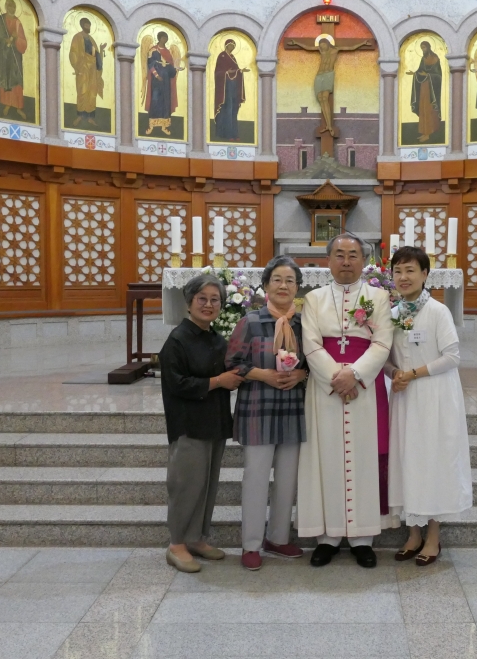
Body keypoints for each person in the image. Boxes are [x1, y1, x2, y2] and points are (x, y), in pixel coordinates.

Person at [298, 233, 396, 568]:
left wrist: (354, 374)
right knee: (324, 457)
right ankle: (326, 537)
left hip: (365, 388)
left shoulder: (378, 297)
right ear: (328, 260)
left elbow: (382, 343)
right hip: (325, 390)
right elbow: (311, 344)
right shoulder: (313, 299)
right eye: (339, 254)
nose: (346, 261)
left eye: (353, 255)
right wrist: (336, 378)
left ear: (364, 261)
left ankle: (362, 538)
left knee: (364, 458)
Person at [386, 246, 472, 566]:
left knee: (433, 461)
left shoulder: (437, 311)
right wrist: (394, 373)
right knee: (408, 459)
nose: (403, 277)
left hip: (435, 397)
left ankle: (433, 536)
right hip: (405, 397)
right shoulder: (393, 314)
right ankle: (413, 534)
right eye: (398, 271)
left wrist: (412, 373)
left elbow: (452, 356)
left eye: (410, 270)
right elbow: (386, 357)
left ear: (425, 274)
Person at [226, 256, 309, 571]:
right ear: (265, 286)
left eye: (290, 281)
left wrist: (301, 374)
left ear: (297, 288)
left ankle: (278, 537)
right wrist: (264, 375)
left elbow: (312, 363)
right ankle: (251, 544)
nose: (283, 286)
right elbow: (233, 362)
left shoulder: (303, 325)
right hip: (258, 408)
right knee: (256, 478)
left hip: (292, 409)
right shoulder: (250, 321)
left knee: (287, 479)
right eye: (277, 279)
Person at [160, 274, 244, 573]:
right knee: (186, 486)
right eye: (202, 299)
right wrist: (219, 381)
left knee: (207, 485)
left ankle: (196, 538)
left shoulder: (216, 340)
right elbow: (177, 384)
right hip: (189, 425)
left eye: (215, 300)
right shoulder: (177, 340)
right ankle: (177, 544)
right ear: (189, 302)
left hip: (214, 423)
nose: (209, 305)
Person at [286, 34, 372, 139]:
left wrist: (362, 43)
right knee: (320, 98)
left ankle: (329, 125)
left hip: (328, 75)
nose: (322, 48)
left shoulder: (335, 50)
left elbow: (351, 47)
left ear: (328, 44)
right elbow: (308, 47)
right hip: (319, 76)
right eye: (320, 46)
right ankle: (327, 125)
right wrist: (296, 43)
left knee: (325, 98)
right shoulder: (321, 50)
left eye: (323, 46)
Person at [68, 17, 107, 128]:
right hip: (83, 68)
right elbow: (73, 53)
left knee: (92, 92)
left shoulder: (91, 39)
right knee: (82, 91)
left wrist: (101, 49)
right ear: (82, 26)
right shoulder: (77, 37)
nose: (88, 27)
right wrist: (77, 67)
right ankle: (80, 116)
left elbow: (95, 54)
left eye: (89, 25)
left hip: (92, 69)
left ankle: (90, 117)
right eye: (86, 25)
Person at [0, 0, 28, 120]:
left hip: (15, 56)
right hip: (4, 55)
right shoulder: (1, 19)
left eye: (13, 7)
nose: (11, 9)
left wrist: (16, 38)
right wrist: (5, 40)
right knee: (5, 79)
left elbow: (23, 42)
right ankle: (6, 104)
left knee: (16, 79)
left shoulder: (18, 23)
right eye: (9, 6)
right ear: (6, 7)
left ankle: (18, 107)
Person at [143, 31, 181, 136]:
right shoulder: (153, 50)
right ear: (159, 38)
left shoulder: (168, 52)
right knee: (155, 100)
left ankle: (164, 126)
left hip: (166, 81)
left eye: (166, 38)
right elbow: (150, 64)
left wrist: (176, 69)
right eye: (163, 38)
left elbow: (170, 67)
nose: (165, 39)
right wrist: (156, 75)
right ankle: (151, 125)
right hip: (156, 81)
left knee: (166, 101)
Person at [406, 41, 443, 142]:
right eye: (422, 48)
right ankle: (424, 132)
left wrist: (428, 75)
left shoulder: (435, 58)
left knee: (429, 109)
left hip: (431, 90)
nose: (423, 50)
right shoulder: (423, 59)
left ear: (429, 47)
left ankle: (429, 133)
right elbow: (420, 70)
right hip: (423, 87)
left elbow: (438, 75)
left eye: (424, 48)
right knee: (423, 108)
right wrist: (414, 73)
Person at [212, 39, 248, 142]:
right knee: (228, 109)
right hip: (225, 87)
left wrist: (240, 71)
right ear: (226, 45)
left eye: (234, 46)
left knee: (234, 110)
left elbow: (235, 70)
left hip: (234, 86)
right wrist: (227, 72)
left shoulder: (233, 57)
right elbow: (218, 72)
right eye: (231, 45)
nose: (232, 48)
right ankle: (228, 134)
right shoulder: (222, 56)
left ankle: (235, 134)